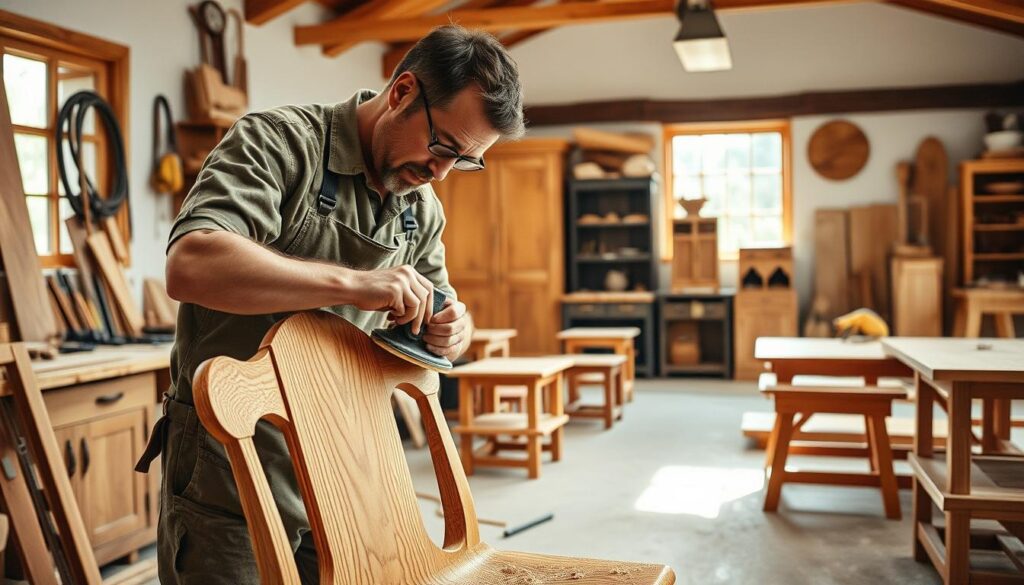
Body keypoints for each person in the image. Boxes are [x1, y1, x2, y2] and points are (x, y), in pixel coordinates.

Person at [135, 25, 526, 584]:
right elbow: (192, 264)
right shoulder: (278, 143)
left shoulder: (421, 206)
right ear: (403, 92)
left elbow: (436, 311)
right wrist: (351, 284)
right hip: (233, 459)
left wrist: (450, 329)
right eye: (442, 148)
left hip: (344, 457)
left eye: (465, 161)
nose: (441, 173)